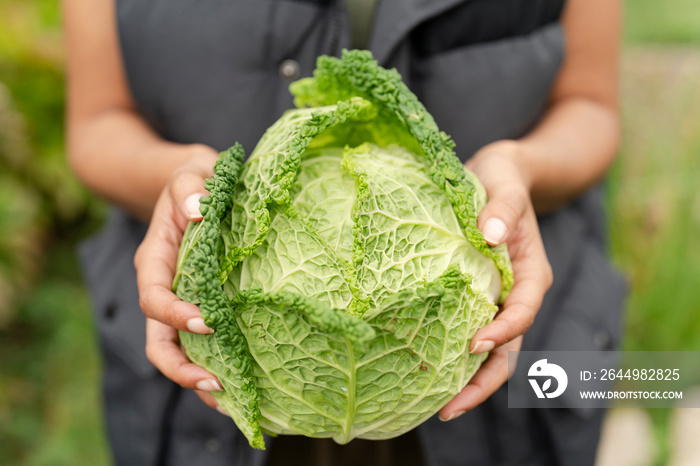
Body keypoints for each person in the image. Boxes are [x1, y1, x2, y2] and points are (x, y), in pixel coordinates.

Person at [64, 0, 625, 465]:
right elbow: (96, 121)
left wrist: (519, 167)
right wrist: (181, 184)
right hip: (210, 388)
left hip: (513, 361)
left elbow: (591, 105)